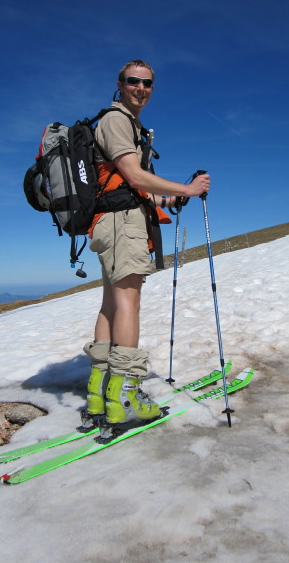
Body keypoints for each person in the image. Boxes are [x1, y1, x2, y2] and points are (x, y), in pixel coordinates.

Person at [82, 59, 210, 431]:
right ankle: (125, 397)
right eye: (134, 81)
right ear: (120, 83)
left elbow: (128, 187)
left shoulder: (123, 123)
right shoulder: (117, 120)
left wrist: (169, 200)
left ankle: (99, 392)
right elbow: (135, 175)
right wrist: (187, 189)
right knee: (127, 303)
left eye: (148, 83)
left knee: (110, 304)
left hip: (110, 221)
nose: (141, 87)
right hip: (122, 225)